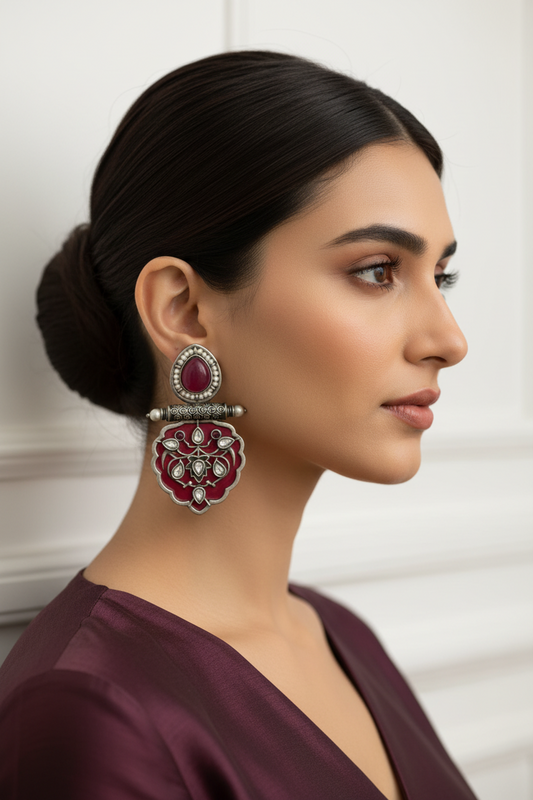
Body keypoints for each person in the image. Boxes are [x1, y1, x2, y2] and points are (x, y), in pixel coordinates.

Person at [0, 51, 476, 799]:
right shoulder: (89, 712)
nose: (449, 339)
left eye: (440, 277)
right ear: (184, 310)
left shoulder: (340, 633)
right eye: (377, 270)